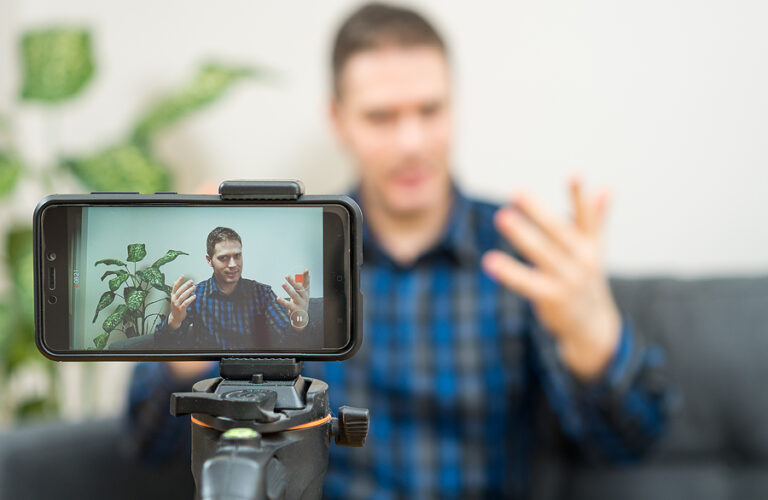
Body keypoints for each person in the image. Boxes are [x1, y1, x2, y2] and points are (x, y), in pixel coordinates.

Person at [127, 3, 670, 497]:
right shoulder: (288, 258)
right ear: (338, 120)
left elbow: (633, 442)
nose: (410, 141)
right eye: (381, 117)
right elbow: (148, 447)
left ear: (454, 109)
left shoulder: (519, 252)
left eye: (429, 110)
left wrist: (596, 343)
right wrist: (185, 353)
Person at [156, 226, 311, 348]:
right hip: (209, 377)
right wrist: (174, 320)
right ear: (209, 260)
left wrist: (299, 319)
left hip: (255, 376)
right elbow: (165, 344)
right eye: (223, 258)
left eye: (237, 256)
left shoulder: (262, 293)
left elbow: (288, 341)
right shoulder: (196, 296)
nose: (233, 264)